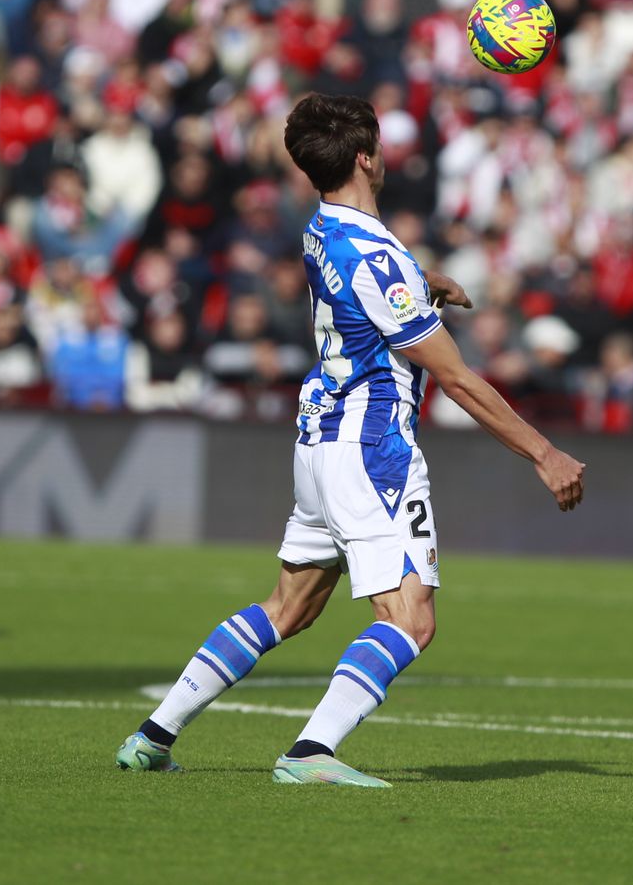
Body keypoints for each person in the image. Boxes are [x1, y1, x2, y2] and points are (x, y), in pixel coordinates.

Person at [114, 94, 586, 786]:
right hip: (371, 449)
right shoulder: (377, 253)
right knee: (411, 617)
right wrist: (545, 452)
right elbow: (454, 378)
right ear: (367, 157)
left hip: (317, 441)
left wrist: (422, 287)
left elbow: (359, 288)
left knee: (291, 605)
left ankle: (154, 735)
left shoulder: (322, 228)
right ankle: (311, 752)